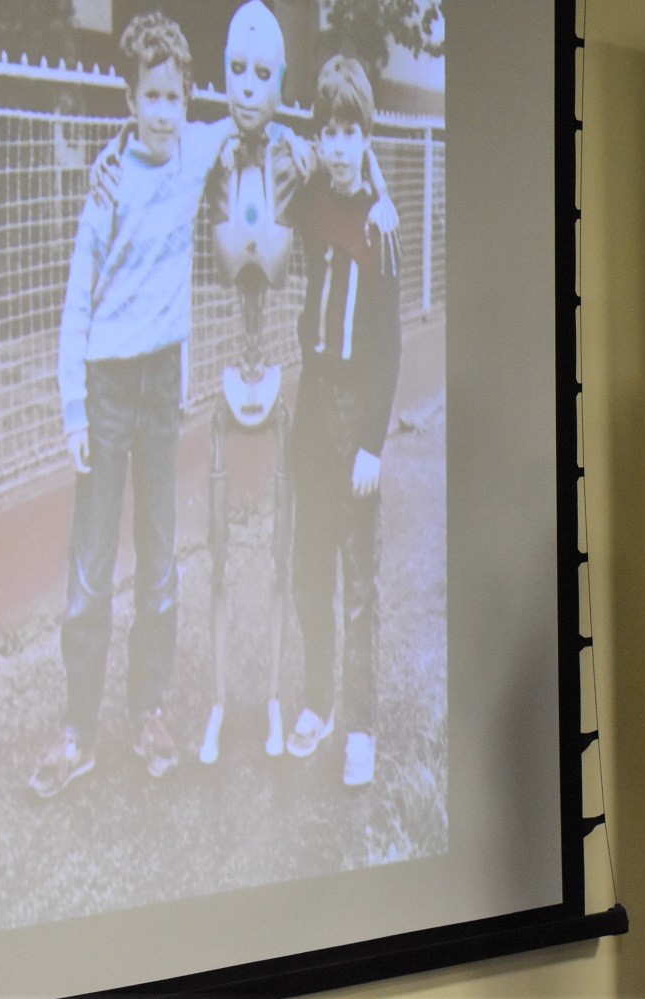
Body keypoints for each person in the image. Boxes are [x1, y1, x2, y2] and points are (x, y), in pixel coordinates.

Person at [29, 12, 226, 797]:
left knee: (160, 560)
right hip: (107, 387)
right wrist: (74, 408)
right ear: (131, 98)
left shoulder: (196, 151)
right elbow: (77, 300)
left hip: (161, 386)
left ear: (186, 99)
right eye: (152, 97)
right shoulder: (107, 185)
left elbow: (258, 123)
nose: (165, 112)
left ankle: (149, 711)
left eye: (176, 97)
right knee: (90, 568)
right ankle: (77, 730)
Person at [281, 55, 403, 786]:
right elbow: (277, 165)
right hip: (312, 406)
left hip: (358, 410)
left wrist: (372, 444)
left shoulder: (380, 227)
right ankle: (318, 703)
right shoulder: (310, 201)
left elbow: (389, 346)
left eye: (349, 131)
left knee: (359, 585)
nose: (336, 144)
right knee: (309, 571)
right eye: (327, 131)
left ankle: (360, 725)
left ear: (365, 136)